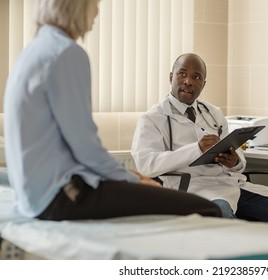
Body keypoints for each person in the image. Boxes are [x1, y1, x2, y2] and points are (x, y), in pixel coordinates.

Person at [3, 0, 221, 221]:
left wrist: (127, 176)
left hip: (34, 196)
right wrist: (134, 180)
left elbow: (65, 145)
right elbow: (85, 147)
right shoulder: (67, 53)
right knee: (205, 209)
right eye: (95, 4)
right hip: (60, 195)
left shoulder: (34, 50)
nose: (97, 12)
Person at [131, 53, 268, 227]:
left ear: (203, 84)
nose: (188, 81)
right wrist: (196, 149)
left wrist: (235, 161)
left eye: (196, 77)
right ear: (171, 77)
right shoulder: (153, 118)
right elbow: (146, 165)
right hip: (190, 189)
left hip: (229, 184)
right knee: (221, 213)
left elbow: (235, 153)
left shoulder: (213, 113)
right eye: (182, 74)